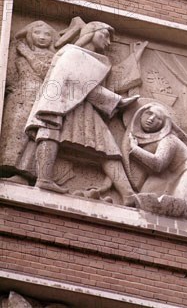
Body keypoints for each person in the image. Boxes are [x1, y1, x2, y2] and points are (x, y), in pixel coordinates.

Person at [24, 21, 141, 205]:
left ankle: (127, 194)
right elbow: (80, 84)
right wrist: (116, 101)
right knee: (49, 132)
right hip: (61, 103)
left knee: (108, 148)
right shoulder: (73, 53)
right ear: (91, 33)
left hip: (80, 106)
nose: (108, 42)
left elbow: (87, 86)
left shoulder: (90, 58)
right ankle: (44, 178)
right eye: (105, 35)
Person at [123, 101, 187, 225]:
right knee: (149, 191)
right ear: (141, 114)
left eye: (158, 118)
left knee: (179, 203)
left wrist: (134, 148)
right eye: (149, 114)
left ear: (164, 124)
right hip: (175, 174)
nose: (151, 119)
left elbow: (158, 164)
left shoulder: (169, 139)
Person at [0, 21, 58, 183]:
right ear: (29, 35)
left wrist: (26, 52)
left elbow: (45, 74)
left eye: (47, 34)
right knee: (12, 133)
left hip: (39, 98)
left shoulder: (53, 56)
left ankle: (24, 174)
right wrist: (13, 48)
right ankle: (7, 169)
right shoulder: (20, 52)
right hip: (18, 96)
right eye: (37, 33)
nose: (42, 37)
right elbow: (10, 77)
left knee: (31, 134)